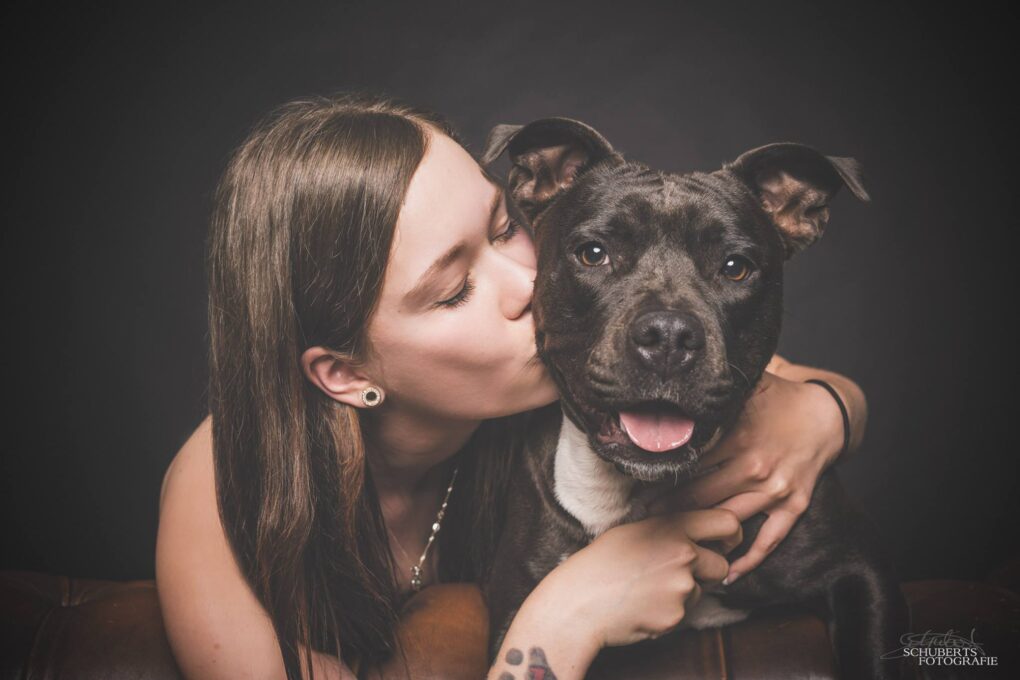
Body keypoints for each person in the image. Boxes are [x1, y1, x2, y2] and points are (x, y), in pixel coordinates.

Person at [156, 94, 867, 680]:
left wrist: (825, 412)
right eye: (455, 289)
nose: (530, 284)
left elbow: (787, 384)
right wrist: (569, 615)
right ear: (346, 372)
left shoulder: (584, 370)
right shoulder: (224, 487)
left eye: (505, 230)